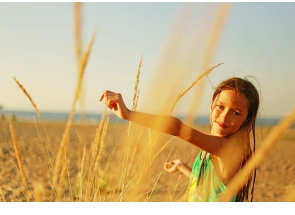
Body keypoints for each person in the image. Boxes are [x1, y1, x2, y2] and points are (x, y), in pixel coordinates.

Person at [99, 77, 260, 202]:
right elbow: (207, 187)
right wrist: (183, 167)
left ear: (246, 119)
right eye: (220, 107)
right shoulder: (213, 145)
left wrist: (128, 114)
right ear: (212, 104)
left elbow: (177, 128)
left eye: (236, 112)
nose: (224, 117)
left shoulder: (228, 149)